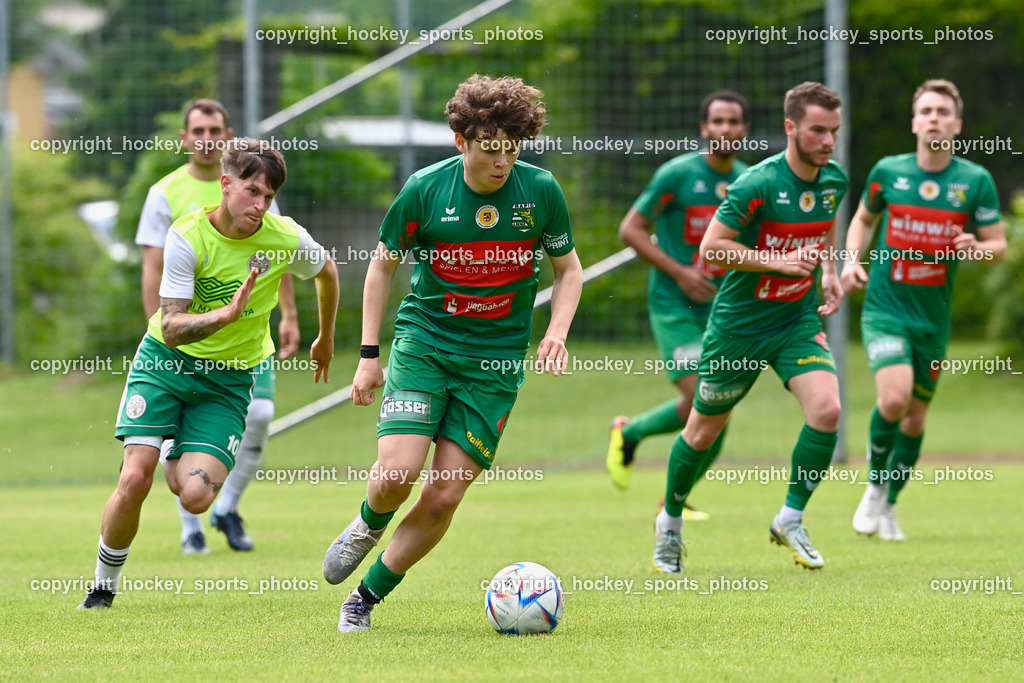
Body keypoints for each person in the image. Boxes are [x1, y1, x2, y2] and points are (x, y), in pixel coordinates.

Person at [321, 74, 583, 633]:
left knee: (443, 496)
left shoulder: (540, 192)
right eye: (491, 148)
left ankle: (364, 600)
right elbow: (382, 266)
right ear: (460, 140)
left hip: (495, 363)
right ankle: (368, 524)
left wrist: (556, 330)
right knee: (398, 474)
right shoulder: (424, 189)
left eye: (512, 149)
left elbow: (568, 270)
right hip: (427, 345)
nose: (503, 161)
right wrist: (369, 355)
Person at [79, 140, 339, 609]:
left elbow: (327, 272)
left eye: (269, 196)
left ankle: (174, 442)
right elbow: (173, 327)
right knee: (135, 479)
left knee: (195, 497)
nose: (259, 205)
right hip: (166, 363)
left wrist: (326, 337)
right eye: (252, 191)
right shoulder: (187, 236)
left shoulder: (285, 237)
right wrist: (226, 315)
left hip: (227, 381)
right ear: (226, 185)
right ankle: (102, 587)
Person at [653, 82, 848, 573]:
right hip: (738, 326)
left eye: (835, 132)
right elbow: (712, 250)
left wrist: (829, 271)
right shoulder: (755, 183)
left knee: (827, 409)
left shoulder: (834, 180)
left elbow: (825, 224)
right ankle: (669, 524)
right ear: (791, 128)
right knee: (701, 433)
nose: (828, 141)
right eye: (818, 131)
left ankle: (790, 517)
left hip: (795, 320)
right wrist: (780, 263)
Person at [843, 79, 1006, 541]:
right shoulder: (887, 172)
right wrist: (851, 259)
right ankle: (874, 486)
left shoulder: (974, 181)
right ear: (915, 122)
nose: (934, 117)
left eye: (943, 112)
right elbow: (863, 219)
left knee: (915, 418)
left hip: (933, 317)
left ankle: (891, 506)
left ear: (957, 124)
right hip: (886, 308)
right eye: (926, 111)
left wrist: (977, 246)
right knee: (893, 399)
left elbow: (999, 247)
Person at [136, 99, 298, 553]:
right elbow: (153, 267)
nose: (206, 139)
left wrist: (289, 315)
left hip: (247, 339)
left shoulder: (257, 186)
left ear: (227, 137)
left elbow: (277, 258)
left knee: (262, 414)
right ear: (185, 138)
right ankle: (191, 528)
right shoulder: (165, 193)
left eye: (215, 130)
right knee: (174, 433)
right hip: (185, 337)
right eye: (198, 130)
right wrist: (168, 331)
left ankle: (227, 505)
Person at [607, 90, 751, 512]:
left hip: (723, 311)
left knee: (713, 408)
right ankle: (646, 459)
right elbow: (630, 230)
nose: (726, 128)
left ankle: (666, 487)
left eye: (734, 121)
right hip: (674, 306)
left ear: (744, 130)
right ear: (704, 128)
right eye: (718, 121)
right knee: (704, 399)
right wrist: (681, 273)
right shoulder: (677, 174)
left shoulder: (748, 180)